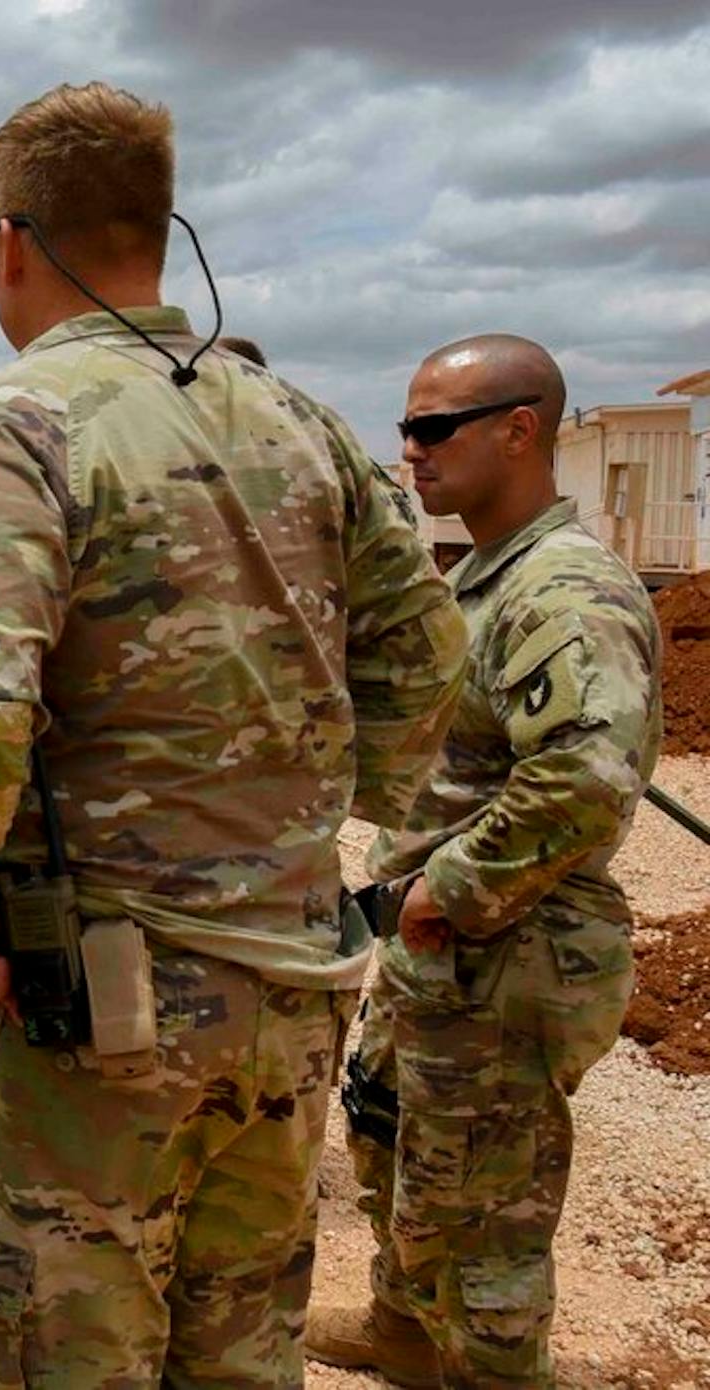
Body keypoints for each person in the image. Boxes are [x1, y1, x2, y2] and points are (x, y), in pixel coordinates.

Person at [0, 82, 466, 1385]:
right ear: (158, 230)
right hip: (291, 1003)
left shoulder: (11, 428)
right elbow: (428, 670)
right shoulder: (311, 432)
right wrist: (302, 833)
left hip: (96, 1023)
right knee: (240, 1354)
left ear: (14, 242)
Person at [307, 336, 662, 1387]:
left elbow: (586, 781)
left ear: (520, 430)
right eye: (406, 426)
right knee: (396, 1145)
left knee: (480, 1226)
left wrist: (446, 893)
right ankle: (404, 1334)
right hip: (443, 943)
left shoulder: (565, 593)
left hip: (505, 952)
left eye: (433, 427)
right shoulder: (485, 579)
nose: (409, 449)